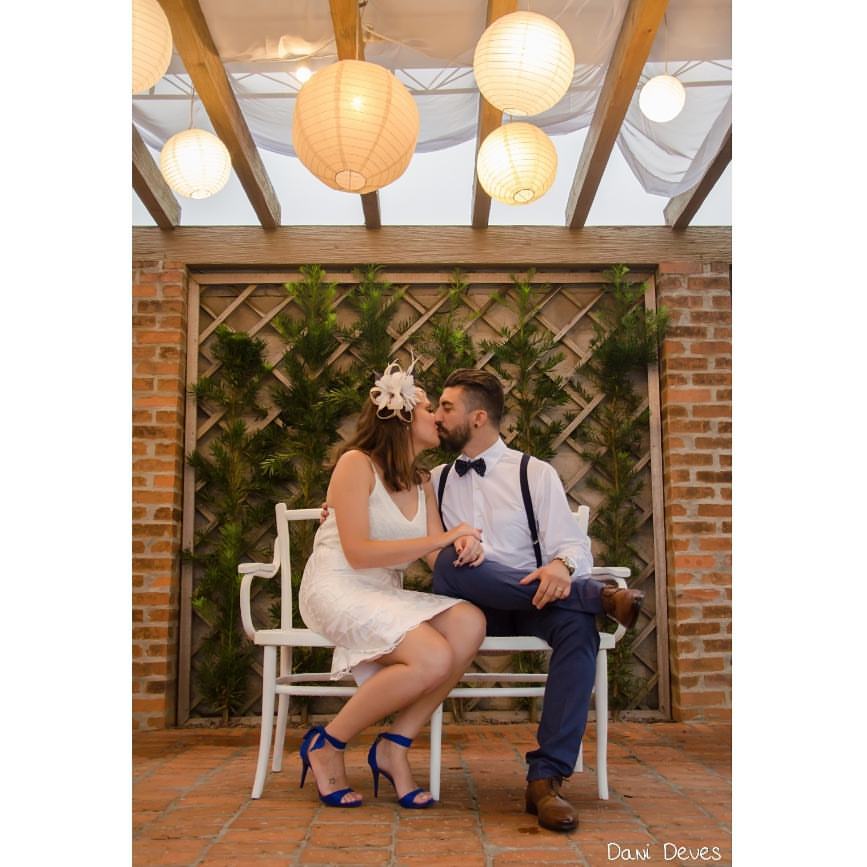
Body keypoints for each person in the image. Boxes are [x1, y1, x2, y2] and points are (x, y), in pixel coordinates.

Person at [430, 368, 644, 832]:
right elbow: (385, 516)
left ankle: (545, 781)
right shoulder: (435, 481)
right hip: (468, 610)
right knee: (449, 562)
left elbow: (572, 545)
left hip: (537, 604)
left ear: (478, 417)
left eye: (446, 407)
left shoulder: (534, 473)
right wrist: (334, 510)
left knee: (577, 628)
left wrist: (561, 567)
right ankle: (599, 596)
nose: (436, 416)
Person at [297, 358, 487, 810]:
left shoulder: (422, 481)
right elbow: (359, 553)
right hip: (338, 586)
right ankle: (327, 743)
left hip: (383, 592)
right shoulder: (355, 465)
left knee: (470, 622)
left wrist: (463, 546)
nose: (437, 418)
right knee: (433, 655)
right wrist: (445, 536)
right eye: (428, 410)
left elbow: (435, 555)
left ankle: (394, 745)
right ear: (401, 418)